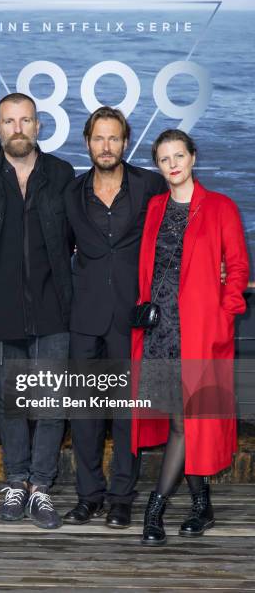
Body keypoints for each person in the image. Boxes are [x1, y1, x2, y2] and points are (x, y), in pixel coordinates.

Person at [132, 129, 249, 546]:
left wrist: (224, 310)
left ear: (193, 157)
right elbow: (150, 266)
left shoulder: (220, 207)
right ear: (159, 166)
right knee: (180, 417)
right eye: (164, 159)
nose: (173, 164)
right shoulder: (155, 207)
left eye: (178, 155)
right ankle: (202, 504)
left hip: (200, 330)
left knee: (186, 419)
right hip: (160, 331)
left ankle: (155, 509)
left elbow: (236, 267)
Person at [0, 93, 75, 529]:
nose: (17, 129)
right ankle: (16, 482)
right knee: (12, 402)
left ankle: (41, 488)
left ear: (38, 125)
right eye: (9, 121)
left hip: (54, 308)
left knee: (50, 402)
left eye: (25, 120)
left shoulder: (62, 174)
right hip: (1, 307)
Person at [63, 106, 167, 528]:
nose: (106, 146)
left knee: (128, 412)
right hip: (84, 316)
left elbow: (175, 236)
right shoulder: (71, 193)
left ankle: (122, 498)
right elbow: (60, 250)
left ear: (126, 142)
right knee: (86, 412)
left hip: (132, 317)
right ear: (87, 142)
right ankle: (89, 496)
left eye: (114, 138)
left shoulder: (150, 185)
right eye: (98, 138)